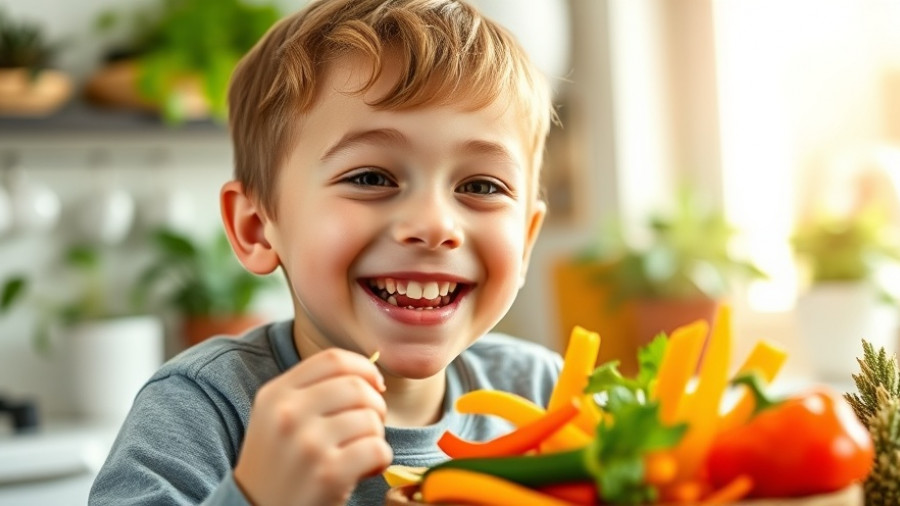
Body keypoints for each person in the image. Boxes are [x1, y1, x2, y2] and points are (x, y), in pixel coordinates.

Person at [89, 0, 561, 504]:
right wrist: (256, 496)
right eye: (371, 178)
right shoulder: (204, 408)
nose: (435, 225)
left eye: (482, 186)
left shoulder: (543, 393)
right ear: (256, 227)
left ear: (527, 238)